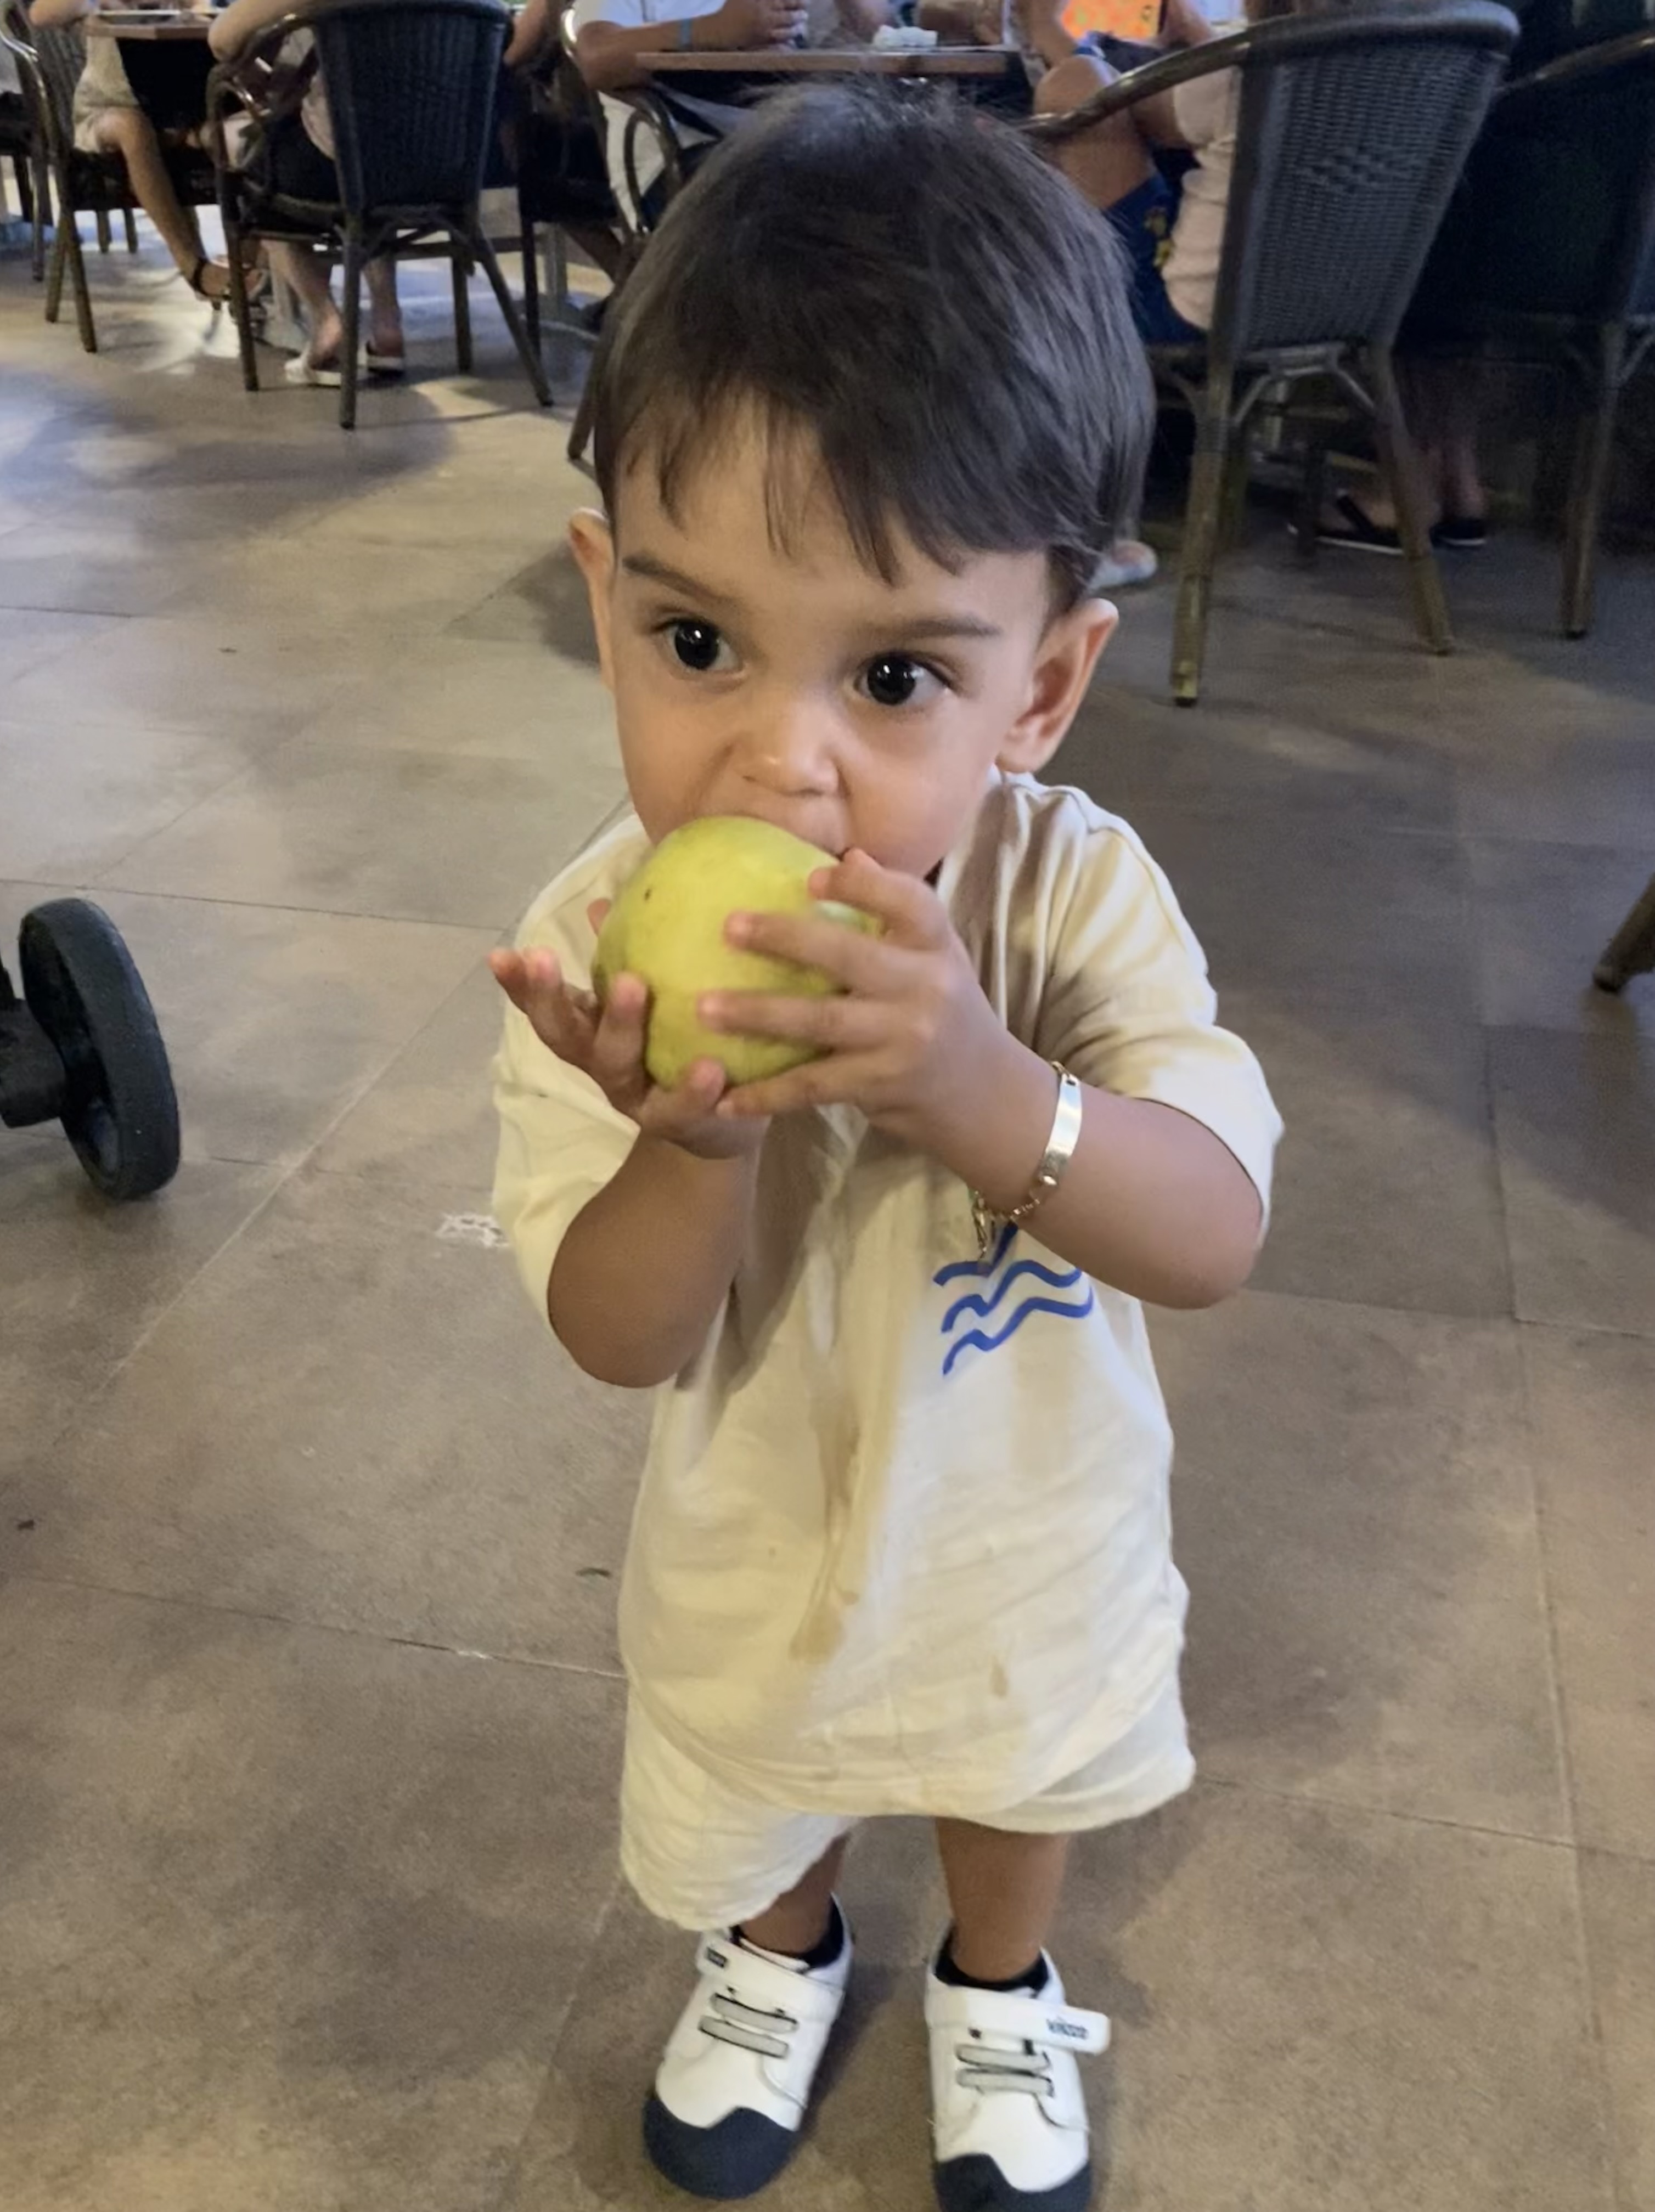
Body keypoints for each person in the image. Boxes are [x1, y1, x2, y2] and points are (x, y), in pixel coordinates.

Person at [491, 86, 1279, 2212]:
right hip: (757, 1541)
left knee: (1015, 1766)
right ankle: (783, 1949)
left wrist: (981, 1088)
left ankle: (997, 1982)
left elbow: (1213, 1227)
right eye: (697, 643)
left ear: (1045, 685)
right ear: (604, 598)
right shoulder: (593, 950)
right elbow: (618, 1337)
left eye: (899, 673)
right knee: (769, 1763)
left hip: (1023, 1538)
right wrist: (687, 1151)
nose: (781, 761)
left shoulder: (1069, 902)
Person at [210, 0, 404, 384]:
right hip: (438, 162)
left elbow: (223, 39)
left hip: (337, 160)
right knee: (374, 170)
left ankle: (325, 318)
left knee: (242, 153)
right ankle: (388, 324)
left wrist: (259, 69)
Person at [565, 0, 891, 225]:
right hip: (677, 156)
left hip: (785, 142)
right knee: (805, 203)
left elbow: (876, 37)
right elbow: (596, 58)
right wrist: (710, 30)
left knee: (893, 176)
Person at [30, 0, 251, 303]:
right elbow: (41, 14)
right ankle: (192, 266)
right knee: (133, 127)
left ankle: (249, 263)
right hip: (106, 111)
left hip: (177, 111)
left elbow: (204, 8)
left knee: (246, 128)